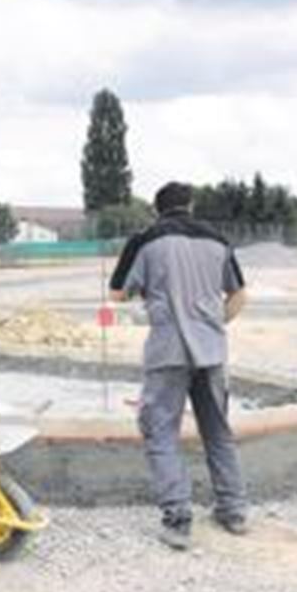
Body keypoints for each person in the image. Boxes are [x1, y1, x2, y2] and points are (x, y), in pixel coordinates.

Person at [108, 181, 249, 550]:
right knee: (218, 430)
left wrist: (149, 291)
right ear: (191, 205)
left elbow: (116, 294)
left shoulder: (145, 240)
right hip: (213, 352)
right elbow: (239, 295)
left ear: (157, 209)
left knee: (160, 431)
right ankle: (233, 510)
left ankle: (178, 518)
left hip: (168, 351)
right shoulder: (218, 241)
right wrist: (214, 324)